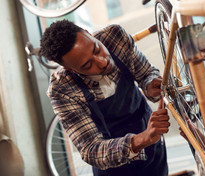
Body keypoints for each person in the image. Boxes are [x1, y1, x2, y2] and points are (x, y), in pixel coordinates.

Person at [39, 20, 170, 176]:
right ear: (69, 68)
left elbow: (146, 74)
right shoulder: (62, 90)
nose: (102, 62)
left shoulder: (114, 37)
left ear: (88, 33)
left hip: (153, 148)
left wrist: (151, 86)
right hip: (114, 168)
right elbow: (91, 150)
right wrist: (142, 139)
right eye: (87, 65)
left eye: (96, 49)